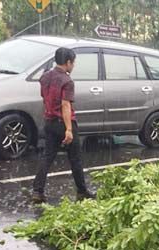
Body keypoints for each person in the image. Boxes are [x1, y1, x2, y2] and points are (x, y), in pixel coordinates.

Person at [32, 47, 95, 204]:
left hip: (50, 122)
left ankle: (37, 191)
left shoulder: (45, 77)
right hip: (64, 123)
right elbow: (65, 105)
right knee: (75, 158)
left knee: (47, 157)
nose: (73, 66)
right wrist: (68, 129)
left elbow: (45, 98)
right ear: (68, 62)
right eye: (73, 63)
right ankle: (82, 191)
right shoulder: (67, 81)